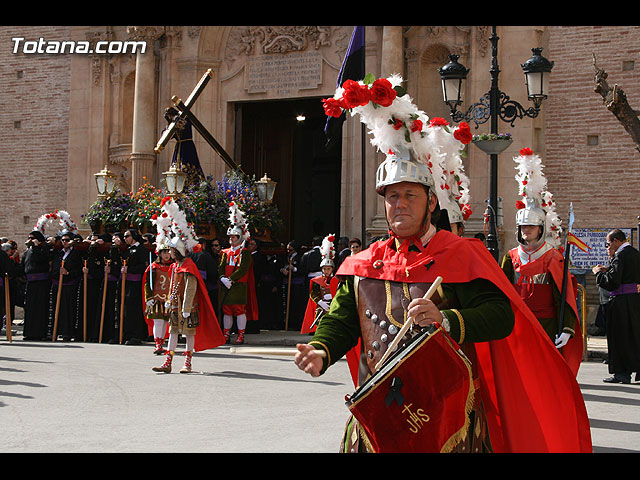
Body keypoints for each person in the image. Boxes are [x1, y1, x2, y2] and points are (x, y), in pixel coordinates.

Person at [297, 76, 591, 453]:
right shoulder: (363, 264)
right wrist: (322, 350)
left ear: (431, 203)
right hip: (380, 413)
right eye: (391, 197)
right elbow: (343, 320)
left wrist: (447, 320)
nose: (399, 204)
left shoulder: (461, 255)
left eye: (409, 195)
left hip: (448, 415)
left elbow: (502, 315)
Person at [501, 148, 581, 374]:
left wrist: (566, 327)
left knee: (543, 371)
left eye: (531, 227)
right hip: (518, 324)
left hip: (545, 325)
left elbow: (562, 294)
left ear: (540, 229)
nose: (527, 231)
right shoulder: (511, 256)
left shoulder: (552, 257)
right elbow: (502, 290)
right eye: (523, 227)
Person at [593, 229, 640, 384]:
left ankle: (621, 373)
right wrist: (609, 269)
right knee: (634, 336)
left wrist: (599, 273)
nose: (608, 246)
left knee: (619, 337)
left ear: (616, 241)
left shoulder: (620, 255)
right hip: (634, 300)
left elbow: (613, 282)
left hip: (620, 302)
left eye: (608, 243)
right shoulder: (634, 253)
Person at [218, 202, 255, 344]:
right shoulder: (225, 252)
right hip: (225, 284)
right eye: (230, 237)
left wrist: (231, 280)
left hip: (239, 285)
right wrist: (222, 278)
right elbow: (221, 267)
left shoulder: (244, 252)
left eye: (233, 237)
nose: (231, 239)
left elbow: (243, 269)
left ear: (239, 237)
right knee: (227, 310)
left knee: (239, 310)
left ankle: (240, 335)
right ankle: (226, 334)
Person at [301, 234, 339, 334]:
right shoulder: (317, 280)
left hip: (333, 306)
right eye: (324, 269)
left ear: (332, 269)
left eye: (328, 269)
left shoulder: (336, 280)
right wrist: (320, 302)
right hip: (321, 307)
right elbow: (313, 294)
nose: (326, 271)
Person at [49, 231, 83, 341]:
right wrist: (58, 273)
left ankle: (68, 332)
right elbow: (53, 268)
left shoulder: (76, 254)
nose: (64, 242)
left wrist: (67, 273)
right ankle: (56, 331)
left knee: (68, 309)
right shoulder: (58, 254)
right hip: (58, 284)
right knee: (57, 308)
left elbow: (78, 270)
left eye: (67, 240)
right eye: (63, 240)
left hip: (70, 285)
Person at [119, 228, 150, 345]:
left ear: (133, 237)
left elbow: (144, 266)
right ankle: (126, 333)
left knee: (135, 310)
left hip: (136, 284)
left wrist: (129, 269)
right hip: (126, 283)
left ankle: (136, 335)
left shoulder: (141, 249)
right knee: (127, 309)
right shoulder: (127, 249)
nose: (125, 238)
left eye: (127, 236)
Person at [21, 230, 52, 340]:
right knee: (30, 309)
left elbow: (43, 259)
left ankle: (40, 333)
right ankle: (29, 333)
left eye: (32, 238)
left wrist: (37, 247)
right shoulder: (27, 252)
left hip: (41, 284)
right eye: (29, 238)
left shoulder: (44, 250)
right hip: (30, 284)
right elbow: (22, 266)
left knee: (40, 308)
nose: (30, 240)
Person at [143, 241, 173, 354]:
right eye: (164, 252)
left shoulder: (173, 266)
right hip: (156, 298)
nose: (166, 255)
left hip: (169, 299)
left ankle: (162, 342)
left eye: (168, 252)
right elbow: (148, 283)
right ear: (159, 254)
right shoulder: (154, 267)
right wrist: (149, 298)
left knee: (166, 323)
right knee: (158, 322)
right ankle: (158, 344)